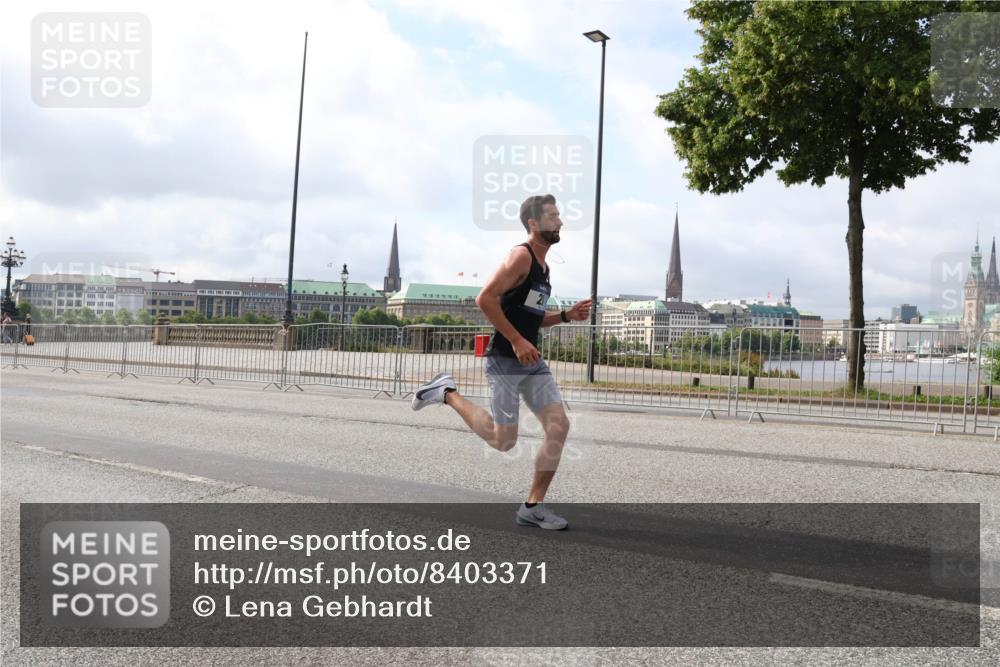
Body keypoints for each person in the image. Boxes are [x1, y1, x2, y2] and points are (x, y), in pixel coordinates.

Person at [411, 194, 592, 529]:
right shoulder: (520, 257)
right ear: (533, 224)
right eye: (552, 216)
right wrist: (516, 339)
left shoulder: (543, 268)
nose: (560, 221)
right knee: (503, 440)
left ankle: (532, 507)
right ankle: (446, 392)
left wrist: (566, 316)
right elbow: (485, 299)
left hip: (531, 362)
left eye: (559, 215)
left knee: (559, 426)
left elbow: (529, 318)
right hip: (505, 361)